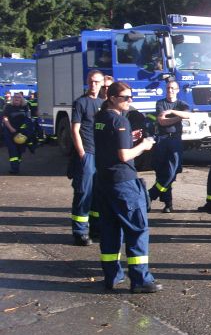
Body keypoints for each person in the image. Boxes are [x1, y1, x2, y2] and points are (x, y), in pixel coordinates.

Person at [94, 81, 161, 293]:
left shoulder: (100, 119)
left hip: (104, 181)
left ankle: (112, 277)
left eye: (131, 97)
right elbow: (124, 155)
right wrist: (144, 145)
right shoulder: (119, 121)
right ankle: (141, 280)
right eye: (125, 97)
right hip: (123, 182)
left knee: (110, 230)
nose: (129, 101)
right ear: (112, 98)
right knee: (137, 229)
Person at [69, 70, 104, 246]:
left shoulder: (103, 103)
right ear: (86, 82)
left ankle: (96, 229)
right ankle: (80, 232)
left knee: (98, 194)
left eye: (97, 82)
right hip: (87, 154)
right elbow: (75, 130)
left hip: (101, 155)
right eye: (91, 81)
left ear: (102, 83)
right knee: (83, 193)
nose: (93, 85)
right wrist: (82, 153)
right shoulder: (80, 102)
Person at [148, 79, 190, 213]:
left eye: (172, 88)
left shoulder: (181, 104)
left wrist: (173, 112)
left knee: (172, 171)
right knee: (162, 171)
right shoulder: (160, 103)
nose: (170, 90)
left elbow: (188, 115)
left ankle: (151, 194)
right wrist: (179, 117)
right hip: (162, 139)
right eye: (168, 88)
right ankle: (168, 203)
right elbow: (162, 121)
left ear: (177, 90)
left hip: (175, 140)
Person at [2, 92, 33, 174]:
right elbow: (5, 118)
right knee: (12, 149)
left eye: (18, 97)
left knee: (20, 150)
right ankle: (14, 168)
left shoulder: (25, 107)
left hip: (21, 132)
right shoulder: (8, 107)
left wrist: (25, 129)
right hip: (10, 132)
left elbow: (28, 119)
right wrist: (11, 128)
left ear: (22, 99)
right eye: (15, 97)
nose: (16, 98)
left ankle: (16, 164)